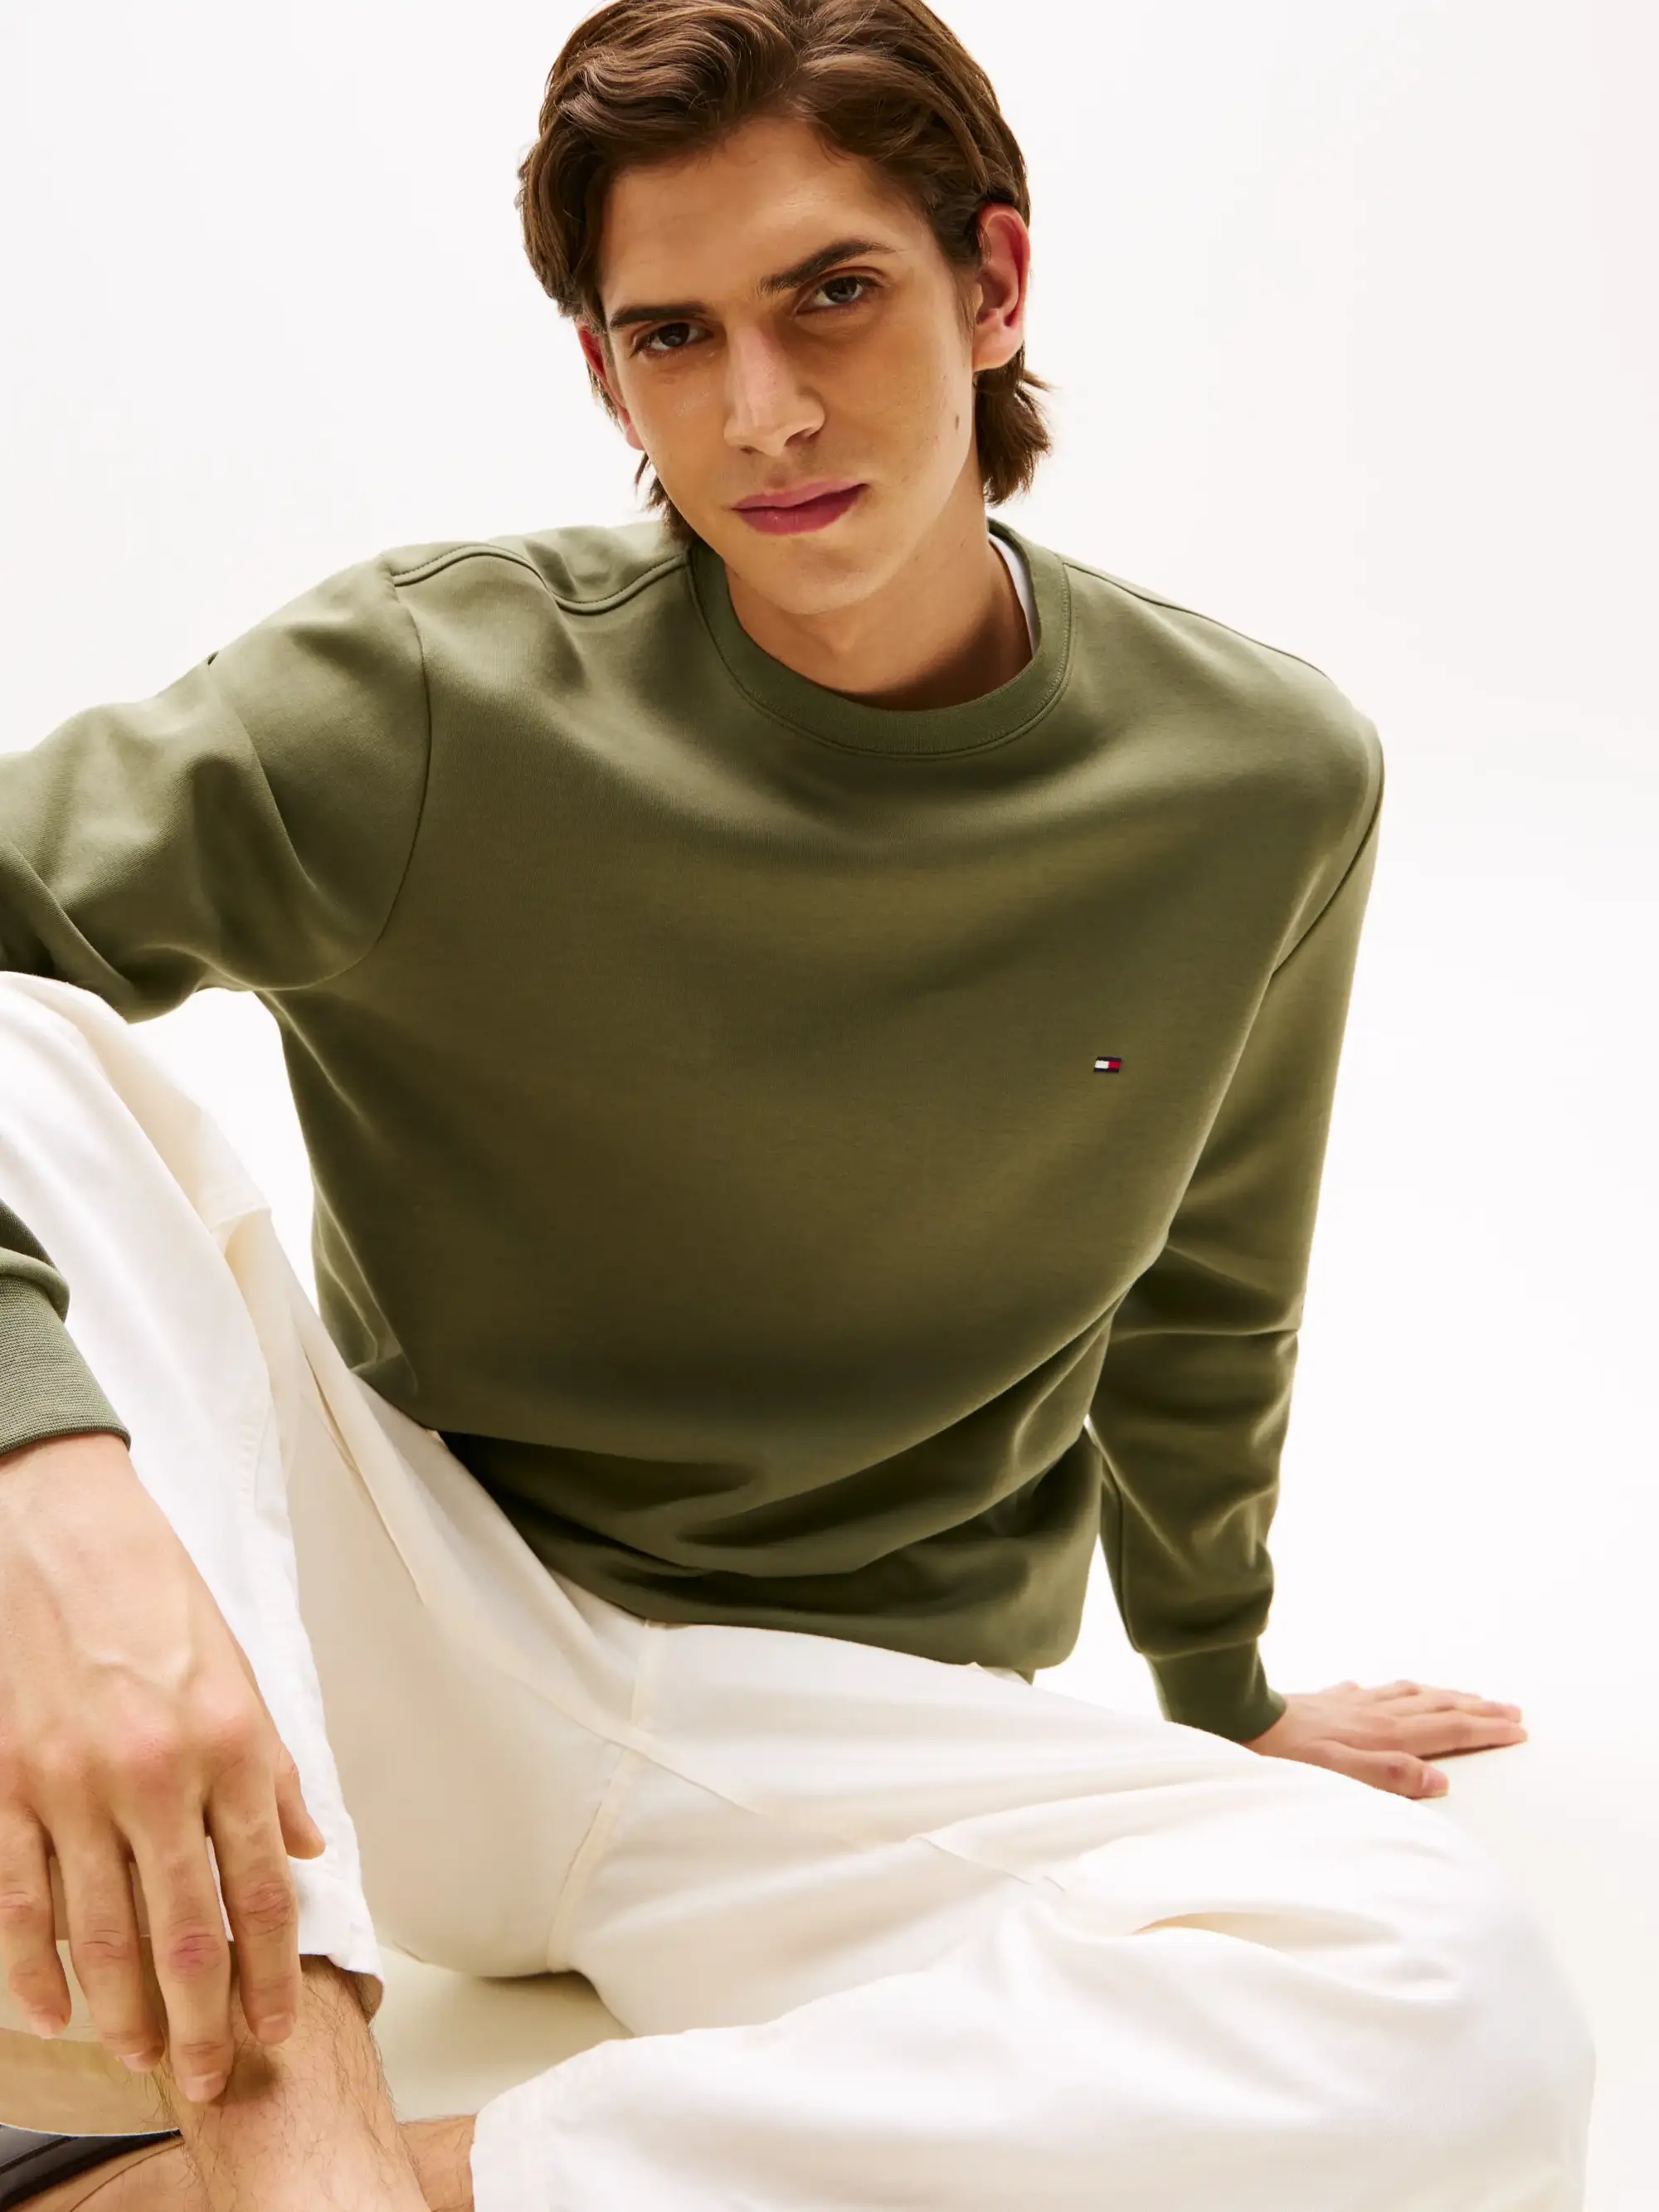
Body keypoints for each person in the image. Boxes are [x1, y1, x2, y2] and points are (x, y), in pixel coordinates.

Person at [0, 1, 1594, 2207]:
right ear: (606, 374)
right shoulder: (427, 690)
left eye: (830, 291)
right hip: (382, 1649)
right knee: (32, 1044)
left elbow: (1213, 1274)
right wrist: (48, 1486)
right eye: (674, 335)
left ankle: (309, 2181)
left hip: (847, 1739)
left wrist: (1220, 1681)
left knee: (1457, 2001)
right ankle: (291, 2128)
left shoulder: (1258, 777)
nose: (759, 410)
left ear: (993, 282)